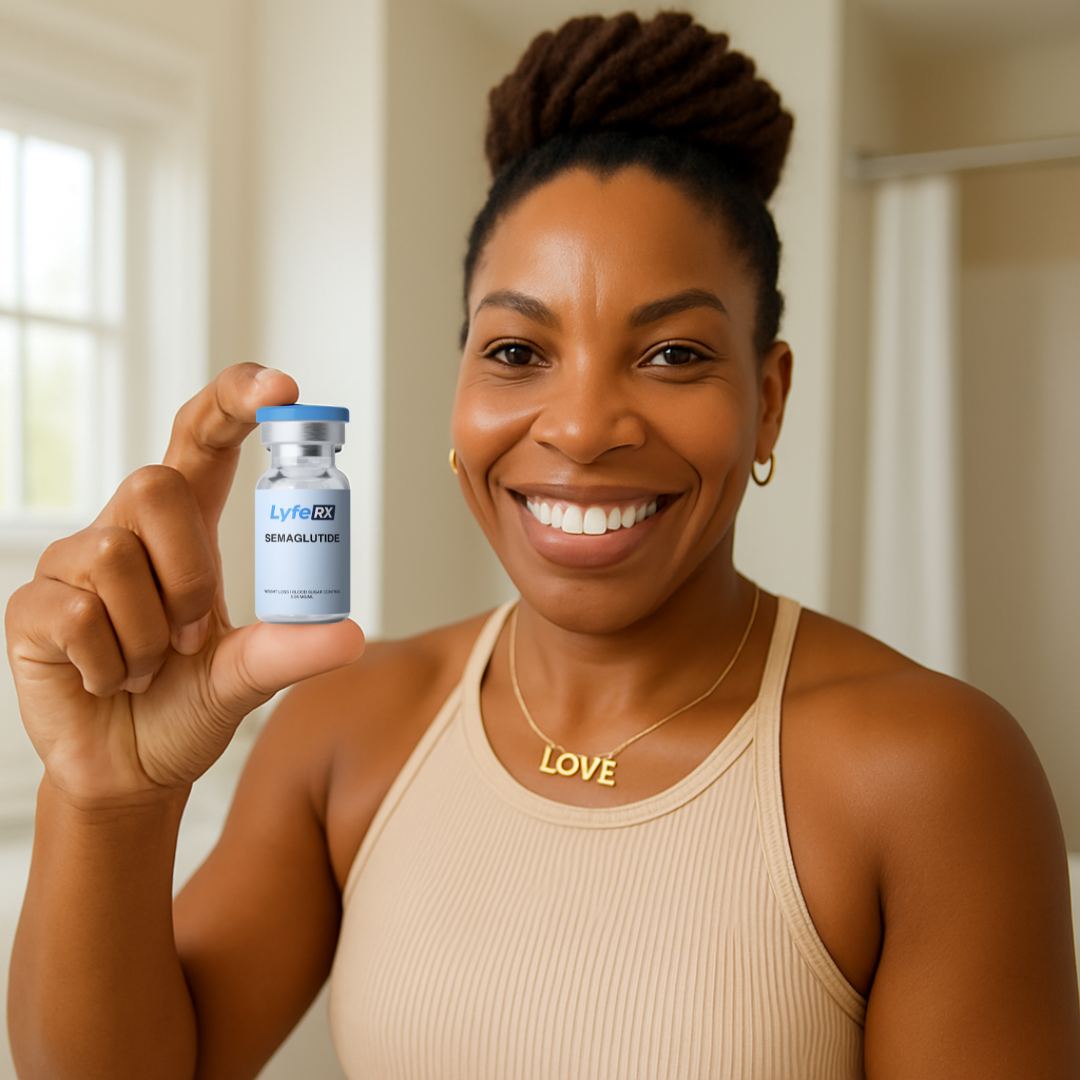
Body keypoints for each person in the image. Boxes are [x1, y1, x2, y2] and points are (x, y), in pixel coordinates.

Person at [6, 12, 1080, 1080]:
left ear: (769, 401)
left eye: (671, 353)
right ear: (460, 385)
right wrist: (109, 798)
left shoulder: (933, 772)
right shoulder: (347, 726)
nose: (578, 427)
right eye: (518, 349)